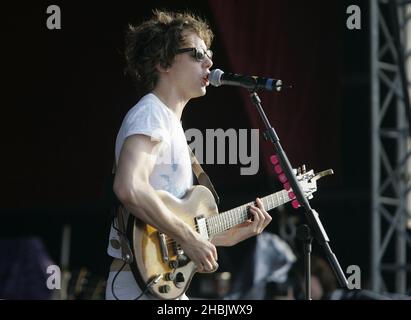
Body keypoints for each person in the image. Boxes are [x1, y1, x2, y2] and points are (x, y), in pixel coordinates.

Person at [106, 9, 272, 300]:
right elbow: (128, 186)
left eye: (209, 54)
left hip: (160, 286)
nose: (209, 62)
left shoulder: (172, 126)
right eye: (197, 54)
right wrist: (188, 237)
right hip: (137, 288)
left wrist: (227, 235)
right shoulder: (151, 113)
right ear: (163, 62)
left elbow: (174, 228)